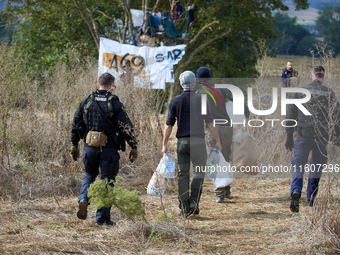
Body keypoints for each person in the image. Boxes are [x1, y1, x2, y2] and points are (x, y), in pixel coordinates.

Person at [71, 72, 138, 226]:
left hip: (89, 148)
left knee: (89, 175)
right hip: (108, 150)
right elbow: (126, 127)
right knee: (107, 182)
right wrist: (134, 146)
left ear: (98, 84)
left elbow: (75, 125)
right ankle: (102, 219)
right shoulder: (114, 102)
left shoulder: (86, 101)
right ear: (111, 86)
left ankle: (83, 199)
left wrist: (74, 145)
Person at [162, 71, 222, 217]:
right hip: (198, 143)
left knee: (183, 175)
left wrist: (164, 144)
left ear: (182, 83)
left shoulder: (175, 101)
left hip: (182, 144)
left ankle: (184, 207)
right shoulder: (201, 99)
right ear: (194, 82)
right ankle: (194, 201)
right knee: (198, 173)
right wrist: (218, 141)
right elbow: (210, 122)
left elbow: (169, 125)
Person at [285, 66, 338, 213]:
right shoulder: (329, 93)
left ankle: (295, 192)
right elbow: (337, 117)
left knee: (298, 165)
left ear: (311, 76)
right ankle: (311, 199)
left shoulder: (301, 92)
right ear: (323, 77)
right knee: (317, 167)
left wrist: (289, 137)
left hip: (303, 135)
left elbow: (290, 116)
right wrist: (337, 136)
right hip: (321, 137)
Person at [196, 67, 250, 203]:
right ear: (210, 77)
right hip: (226, 127)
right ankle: (226, 189)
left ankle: (219, 193)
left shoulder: (199, 93)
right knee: (225, 157)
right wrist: (247, 115)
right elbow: (239, 99)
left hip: (211, 129)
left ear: (198, 80)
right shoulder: (221, 89)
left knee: (214, 160)